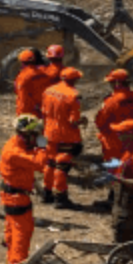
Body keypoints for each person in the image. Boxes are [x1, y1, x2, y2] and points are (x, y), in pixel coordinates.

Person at [92, 69, 133, 212]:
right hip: (130, 135)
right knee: (125, 167)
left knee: (114, 168)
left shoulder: (111, 101)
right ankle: (117, 198)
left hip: (113, 138)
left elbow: (100, 121)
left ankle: (114, 200)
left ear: (116, 83)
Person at [0, 115, 48, 264]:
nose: (38, 137)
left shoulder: (16, 144)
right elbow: (40, 164)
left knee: (12, 232)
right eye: (36, 135)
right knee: (21, 237)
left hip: (13, 194)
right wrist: (42, 147)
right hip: (17, 198)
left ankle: (10, 258)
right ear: (28, 135)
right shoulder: (15, 152)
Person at [40, 66, 86, 210]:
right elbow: (73, 121)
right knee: (62, 166)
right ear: (75, 80)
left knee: (50, 163)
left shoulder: (48, 90)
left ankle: (46, 193)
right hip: (66, 136)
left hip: (49, 132)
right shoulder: (74, 95)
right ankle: (60, 198)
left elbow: (43, 111)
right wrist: (83, 120)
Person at [109, 119, 133, 244]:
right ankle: (119, 253)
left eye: (121, 133)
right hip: (123, 196)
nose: (118, 135)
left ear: (130, 135)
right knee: (119, 226)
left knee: (127, 229)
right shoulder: (128, 150)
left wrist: (117, 179)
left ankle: (128, 258)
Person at [14, 49, 52, 117]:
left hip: (25, 113)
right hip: (42, 112)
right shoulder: (44, 72)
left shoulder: (21, 76)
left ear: (22, 62)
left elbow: (18, 92)